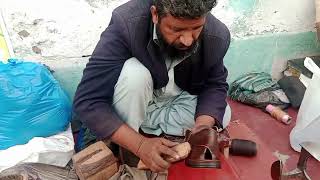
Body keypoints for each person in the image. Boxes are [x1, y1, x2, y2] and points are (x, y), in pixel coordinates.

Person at [73, 0, 231, 172]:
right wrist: (140, 145)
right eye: (177, 29)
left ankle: (137, 128)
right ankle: (129, 142)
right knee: (135, 74)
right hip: (140, 96)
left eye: (196, 29)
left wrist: (201, 127)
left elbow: (215, 85)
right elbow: (87, 100)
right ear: (155, 14)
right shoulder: (127, 24)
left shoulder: (218, 35)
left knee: (221, 114)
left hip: (176, 101)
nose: (187, 41)